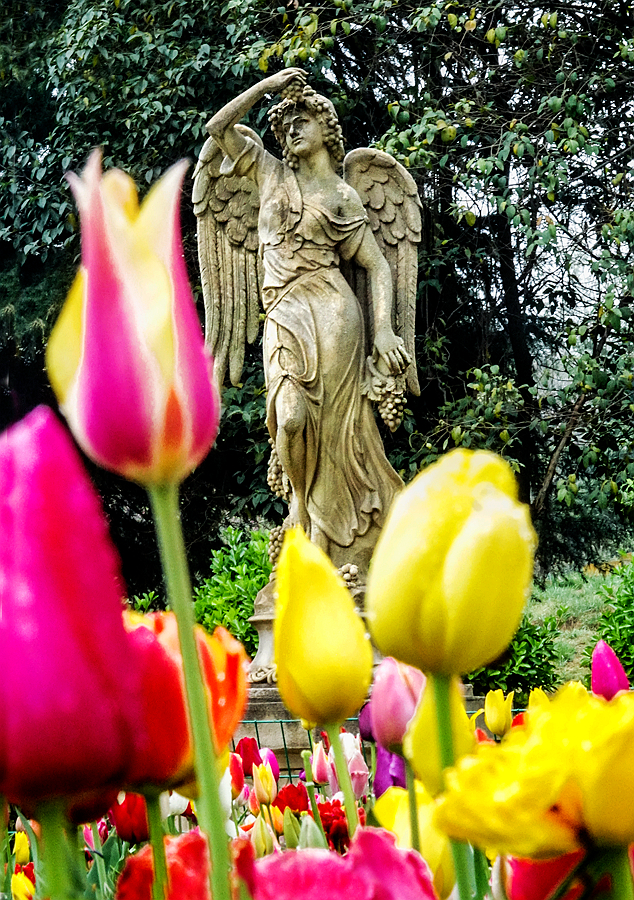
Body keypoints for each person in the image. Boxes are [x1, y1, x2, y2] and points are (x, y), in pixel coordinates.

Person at [206, 69, 410, 576]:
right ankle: (300, 504)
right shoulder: (269, 173)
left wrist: (384, 328)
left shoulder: (344, 195)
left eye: (303, 120)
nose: (293, 128)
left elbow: (377, 265)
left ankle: (334, 543)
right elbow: (217, 127)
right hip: (282, 312)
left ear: (327, 128)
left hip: (334, 311)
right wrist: (268, 86)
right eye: (286, 123)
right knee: (290, 418)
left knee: (339, 429)